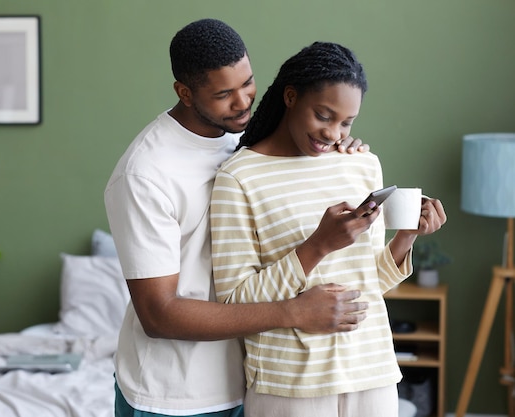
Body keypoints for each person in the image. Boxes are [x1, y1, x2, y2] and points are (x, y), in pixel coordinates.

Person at [104, 20, 374, 417]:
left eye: (247, 83)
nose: (242, 101)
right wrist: (294, 312)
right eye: (223, 94)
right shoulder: (145, 173)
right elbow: (158, 314)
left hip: (256, 381)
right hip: (175, 396)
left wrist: (338, 148)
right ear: (185, 93)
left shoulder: (245, 140)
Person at [209, 41, 447, 417]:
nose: (334, 133)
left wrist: (407, 236)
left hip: (372, 374)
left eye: (346, 123)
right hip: (288, 385)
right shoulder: (238, 177)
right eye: (324, 115)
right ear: (291, 97)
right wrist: (318, 246)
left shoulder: (361, 165)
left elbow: (370, 283)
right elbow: (235, 302)